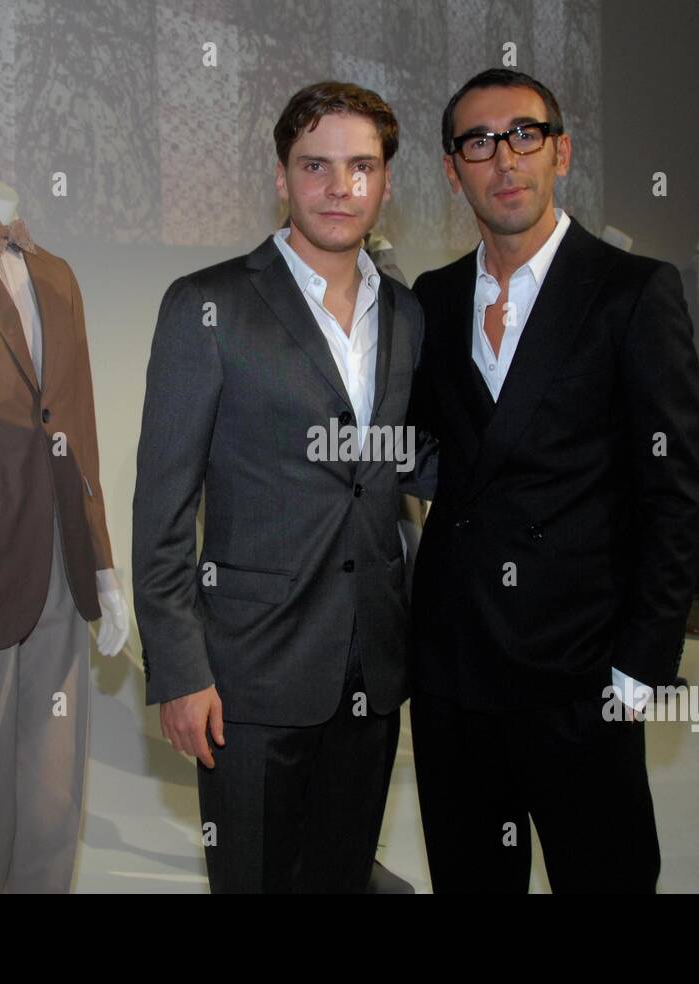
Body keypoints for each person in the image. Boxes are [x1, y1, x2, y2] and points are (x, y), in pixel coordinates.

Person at [408, 69, 699, 892]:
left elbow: (675, 488)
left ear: (561, 151)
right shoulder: (433, 301)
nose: (503, 160)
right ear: (451, 168)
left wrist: (642, 661)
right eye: (478, 142)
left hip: (581, 670)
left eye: (524, 135)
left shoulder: (632, 291)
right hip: (455, 668)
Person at [132, 81, 433, 892]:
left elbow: (402, 462)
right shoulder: (207, 306)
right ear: (281, 177)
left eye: (361, 166)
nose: (341, 187)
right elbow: (162, 508)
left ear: (386, 183)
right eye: (317, 166)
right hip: (247, 675)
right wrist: (180, 669)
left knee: (341, 878)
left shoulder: (406, 315)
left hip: (371, 665)